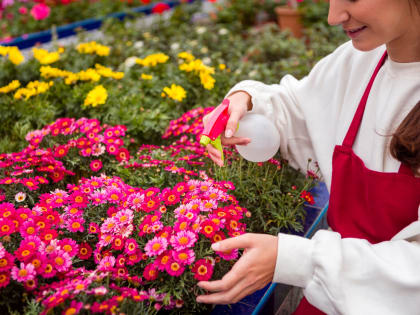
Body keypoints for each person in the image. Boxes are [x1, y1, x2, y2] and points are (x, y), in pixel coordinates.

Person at [196, 0, 420, 314]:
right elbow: (300, 108)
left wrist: (296, 260)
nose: (333, 17)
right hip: (329, 299)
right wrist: (246, 101)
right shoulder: (361, 60)